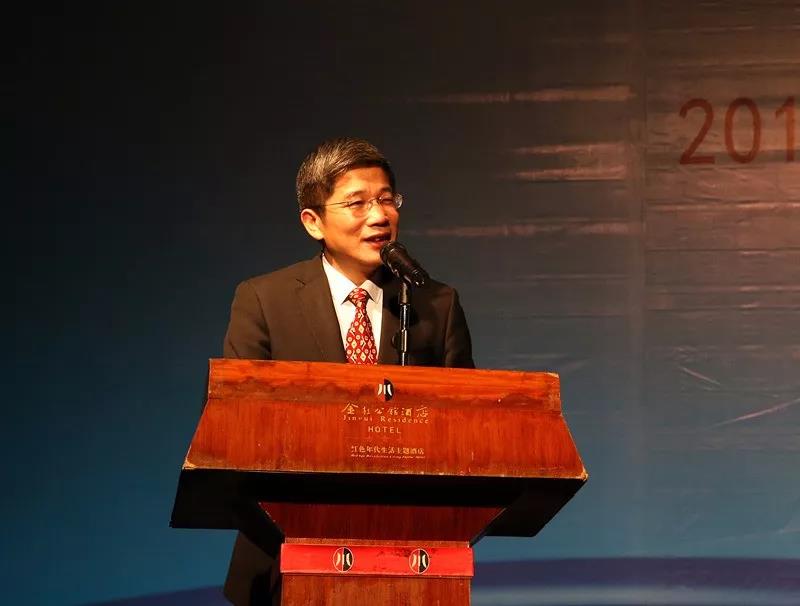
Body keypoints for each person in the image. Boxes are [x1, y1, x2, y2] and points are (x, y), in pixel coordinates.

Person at [221, 137, 474, 605]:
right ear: (313, 221)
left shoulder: (435, 303)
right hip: (286, 555)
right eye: (357, 203)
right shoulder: (264, 300)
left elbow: (466, 429)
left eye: (386, 200)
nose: (379, 216)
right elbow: (235, 425)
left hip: (411, 558)